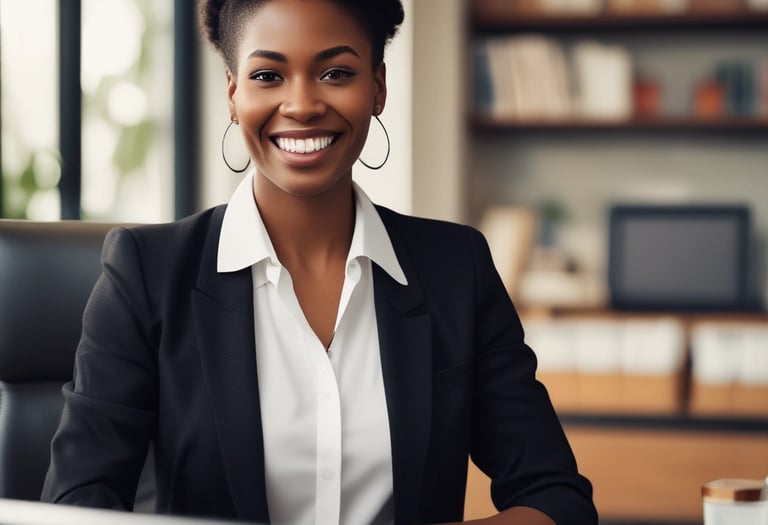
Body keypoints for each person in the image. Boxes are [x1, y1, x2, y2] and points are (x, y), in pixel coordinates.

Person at [41, 1, 597, 523]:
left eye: (336, 73)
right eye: (267, 76)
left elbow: (555, 496)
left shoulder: (457, 269)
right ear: (232, 94)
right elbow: (74, 503)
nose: (302, 104)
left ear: (377, 87)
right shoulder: (147, 273)